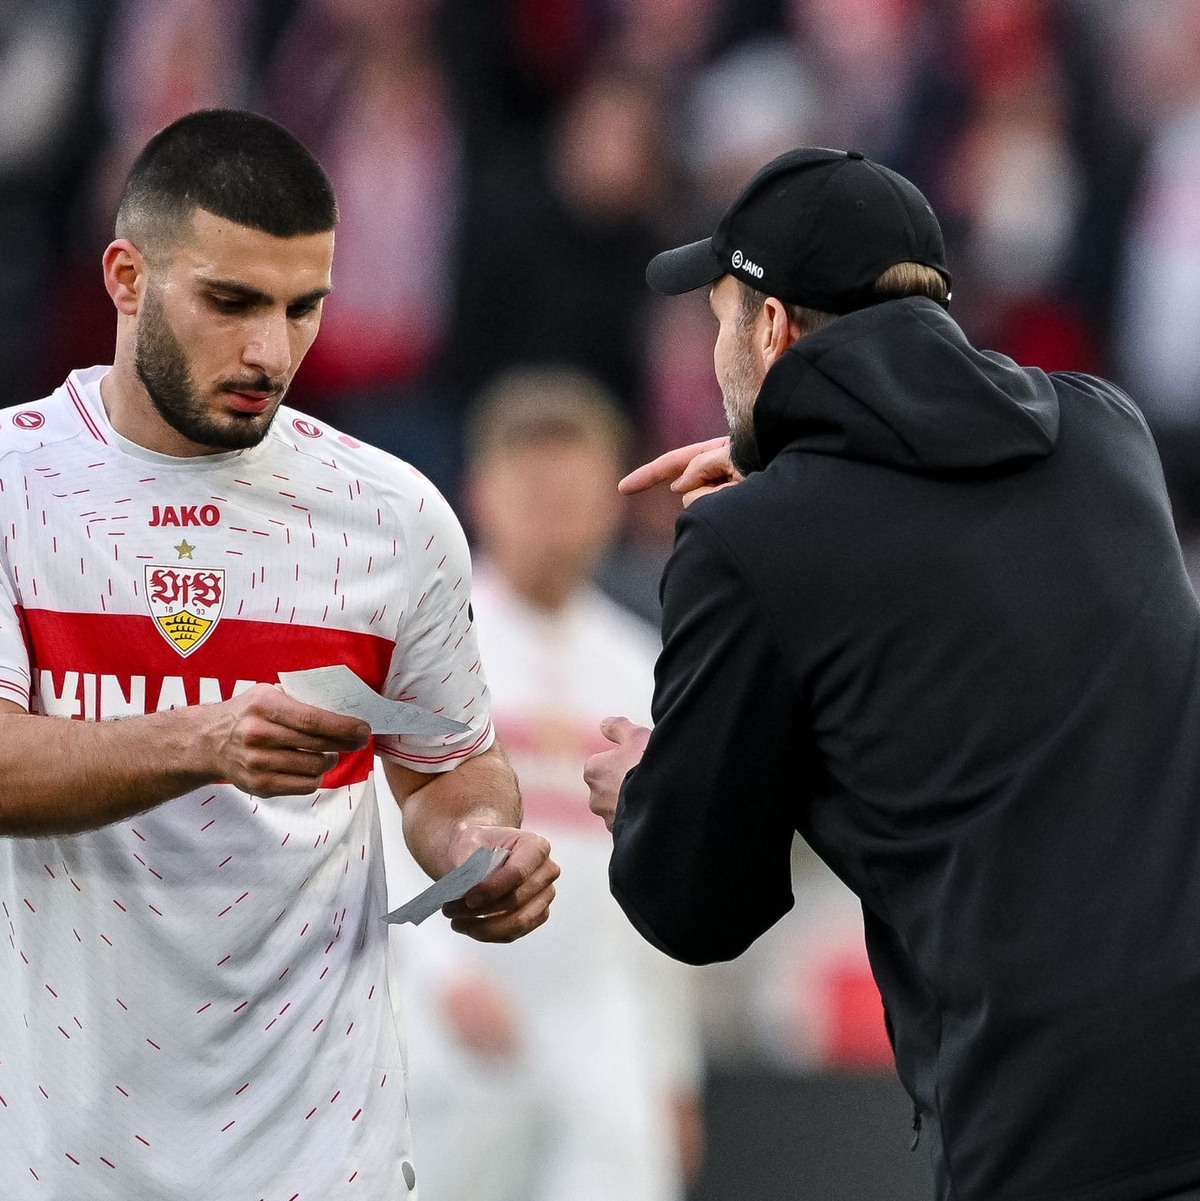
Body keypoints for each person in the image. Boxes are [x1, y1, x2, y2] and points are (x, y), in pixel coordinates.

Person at [583, 146, 1200, 1201]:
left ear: (770, 327)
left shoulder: (748, 545)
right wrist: (794, 463)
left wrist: (646, 788)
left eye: (722, 314)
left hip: (1050, 1124)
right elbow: (946, 540)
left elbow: (695, 904)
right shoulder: (1109, 436)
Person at [0, 109, 558, 1201]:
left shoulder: (391, 515)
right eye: (232, 302)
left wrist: (480, 846)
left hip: (322, 1151)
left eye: (305, 308)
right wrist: (204, 737)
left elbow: (449, 765)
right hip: (64, 1150)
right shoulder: (15, 488)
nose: (272, 351)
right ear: (126, 276)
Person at [383, 367, 702, 1201]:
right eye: (533, 491)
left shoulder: (643, 667)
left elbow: (662, 878)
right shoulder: (433, 644)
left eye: (573, 491)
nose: (554, 514)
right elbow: (372, 833)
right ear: (480, 494)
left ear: (611, 499)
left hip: (600, 1019)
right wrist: (438, 976)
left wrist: (671, 1065)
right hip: (459, 1011)